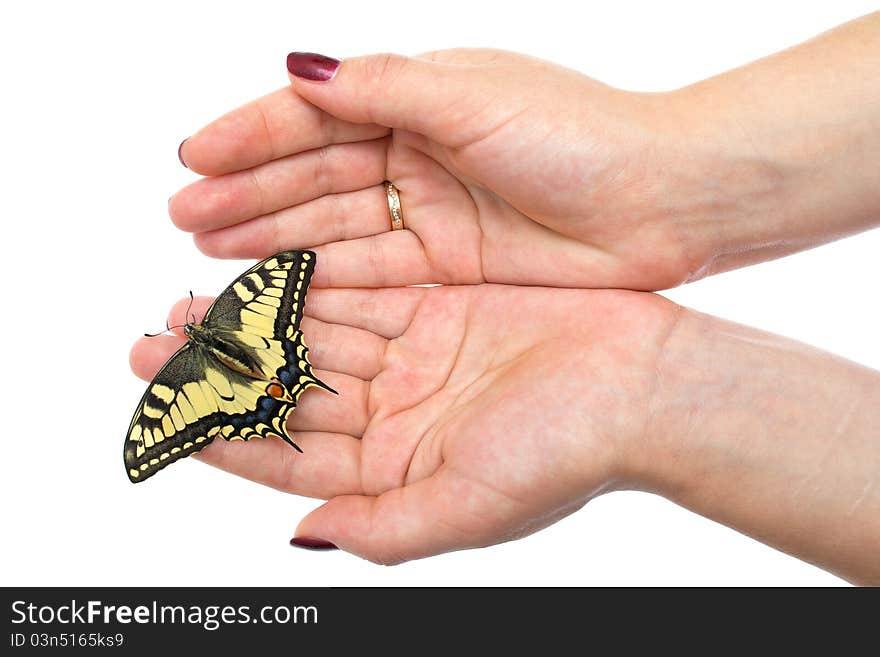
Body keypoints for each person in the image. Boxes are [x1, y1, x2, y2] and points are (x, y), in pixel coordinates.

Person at [131, 12, 880, 584]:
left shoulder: (228, 329)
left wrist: (664, 176)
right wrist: (654, 392)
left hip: (253, 374)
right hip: (273, 363)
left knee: (205, 400)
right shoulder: (251, 299)